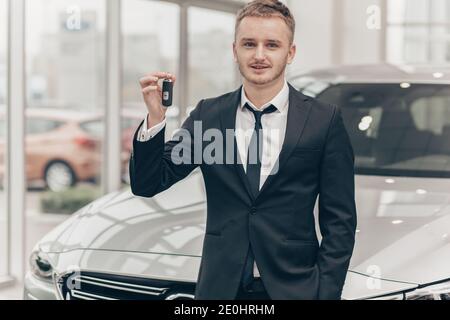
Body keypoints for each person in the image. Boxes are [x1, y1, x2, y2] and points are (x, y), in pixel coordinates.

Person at [130, 0, 357, 300]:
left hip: (294, 288)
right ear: (234, 50)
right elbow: (148, 183)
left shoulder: (323, 120)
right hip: (220, 289)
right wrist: (157, 118)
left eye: (272, 45)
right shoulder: (208, 116)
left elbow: (340, 222)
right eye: (249, 44)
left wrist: (325, 293)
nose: (259, 55)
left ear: (290, 53)